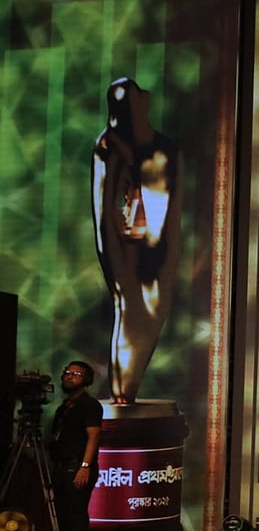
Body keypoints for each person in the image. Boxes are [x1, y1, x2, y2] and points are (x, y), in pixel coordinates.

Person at [92, 77, 181, 404]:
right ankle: (123, 389)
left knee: (151, 312)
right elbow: (110, 200)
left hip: (155, 245)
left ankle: (126, 387)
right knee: (129, 310)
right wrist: (125, 214)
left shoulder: (162, 146)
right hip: (127, 246)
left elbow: (167, 195)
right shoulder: (108, 146)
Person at [48, 361, 103, 531]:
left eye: (76, 374)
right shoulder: (65, 407)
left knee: (76, 515)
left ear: (86, 380)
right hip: (60, 467)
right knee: (61, 514)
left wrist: (85, 466)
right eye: (67, 373)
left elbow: (93, 437)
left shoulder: (89, 405)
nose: (70, 377)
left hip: (77, 467)